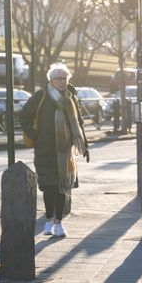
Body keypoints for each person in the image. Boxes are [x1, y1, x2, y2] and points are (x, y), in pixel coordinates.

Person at [20, 63, 89, 238]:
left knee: (62, 188)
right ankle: (49, 220)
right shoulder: (41, 96)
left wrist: (85, 145)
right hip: (44, 150)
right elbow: (24, 116)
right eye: (58, 78)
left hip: (65, 152)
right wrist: (35, 136)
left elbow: (79, 123)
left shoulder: (71, 98)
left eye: (64, 78)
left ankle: (58, 223)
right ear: (51, 80)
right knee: (48, 187)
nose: (61, 81)